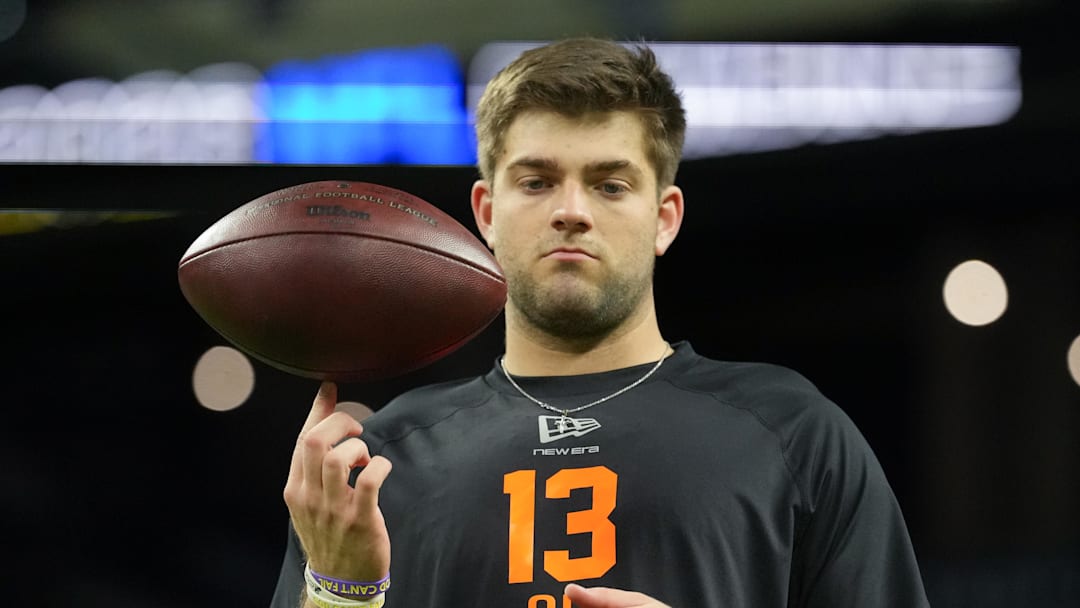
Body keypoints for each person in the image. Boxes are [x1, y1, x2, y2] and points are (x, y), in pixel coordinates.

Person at [270, 37, 931, 608]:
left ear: (665, 217)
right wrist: (337, 592)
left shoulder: (792, 433)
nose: (572, 211)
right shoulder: (385, 459)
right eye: (536, 182)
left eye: (610, 184)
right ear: (487, 212)